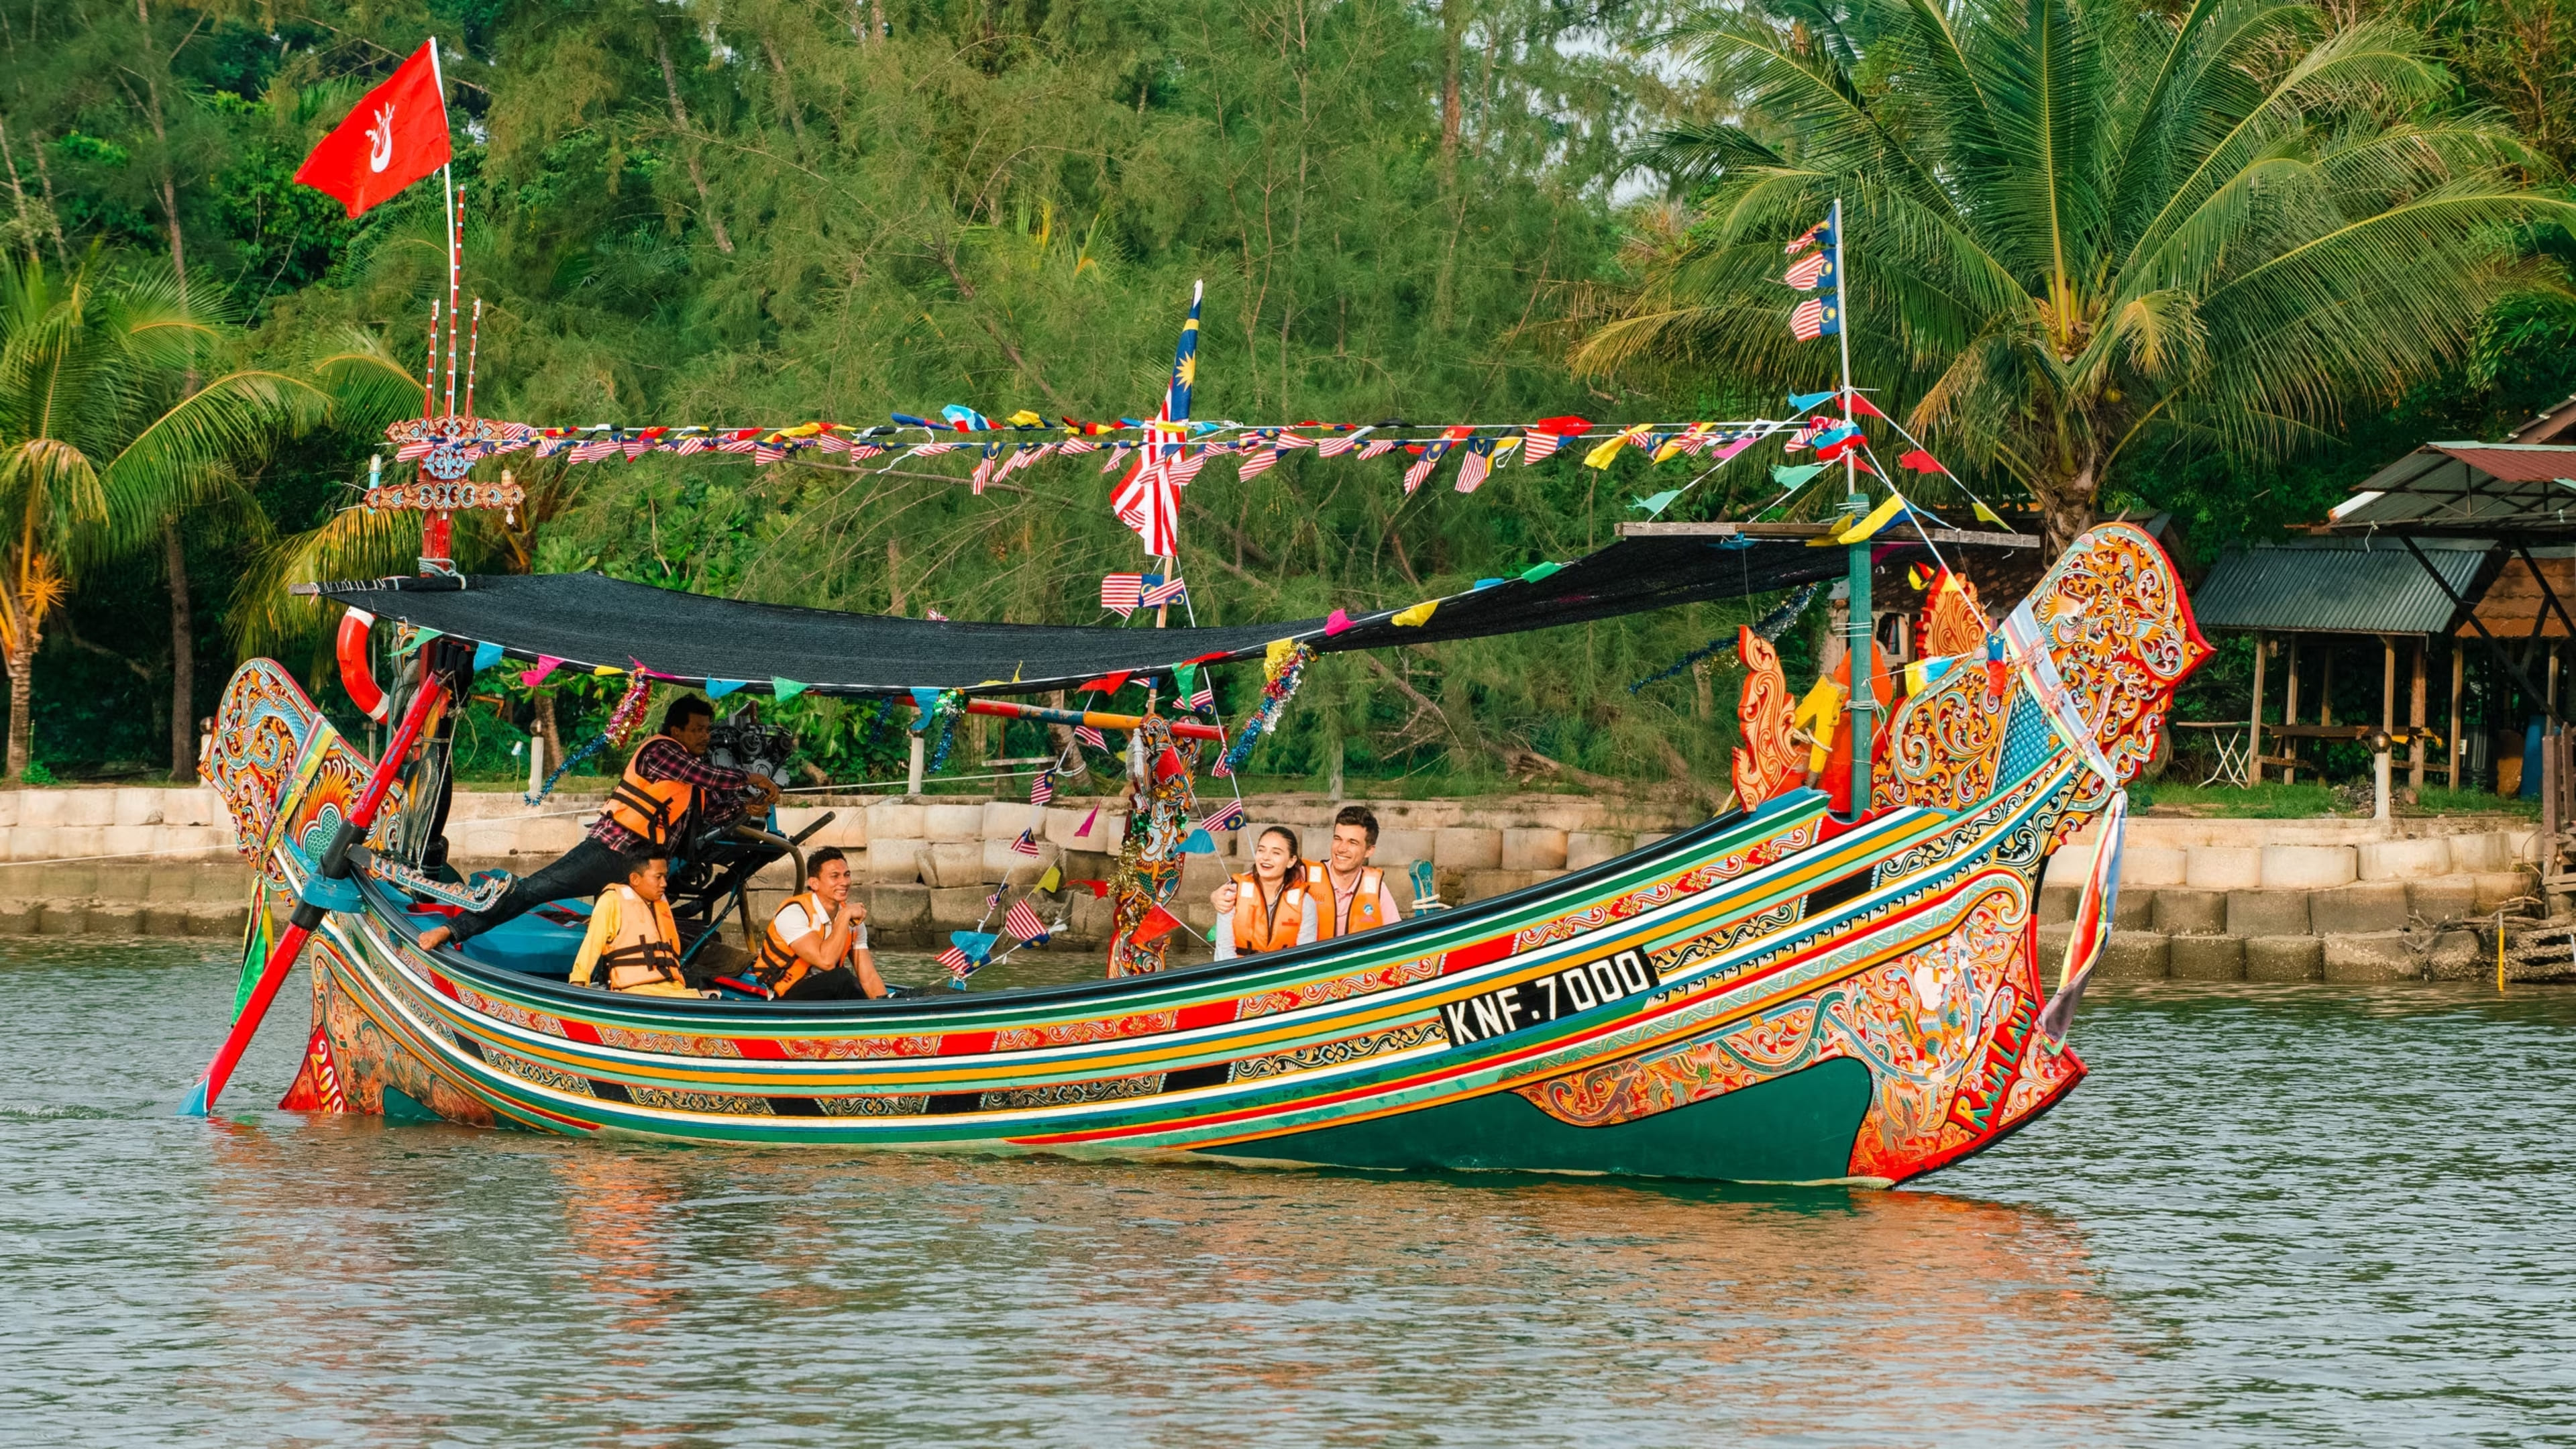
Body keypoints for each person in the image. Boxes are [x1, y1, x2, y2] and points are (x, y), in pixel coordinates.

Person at [419, 696, 780, 953]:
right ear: (677, 730)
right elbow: (704, 773)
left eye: (707, 730)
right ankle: (450, 930)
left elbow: (717, 807)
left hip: (643, 868)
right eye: (698, 730)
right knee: (532, 891)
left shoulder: (694, 785)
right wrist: (752, 777)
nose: (705, 736)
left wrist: (750, 803)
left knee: (649, 931)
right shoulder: (662, 751)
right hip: (609, 851)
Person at [753, 847, 892, 1000]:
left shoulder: (854, 923)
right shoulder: (793, 914)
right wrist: (844, 916)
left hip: (826, 993)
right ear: (814, 883)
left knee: (846, 982)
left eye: (847, 875)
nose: (844, 882)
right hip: (784, 996)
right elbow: (826, 962)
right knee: (841, 978)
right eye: (835, 876)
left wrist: (885, 1005)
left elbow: (869, 978)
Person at [569, 853, 701, 997]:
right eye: (658, 877)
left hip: (676, 990)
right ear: (635, 879)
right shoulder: (612, 900)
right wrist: (578, 985)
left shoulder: (660, 903)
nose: (664, 883)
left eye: (665, 877)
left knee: (697, 998)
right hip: (634, 992)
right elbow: (591, 944)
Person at [1210, 825, 1319, 961]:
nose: (1266, 858)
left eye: (1276, 853)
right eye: (1261, 850)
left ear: (1291, 861)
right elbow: (1224, 950)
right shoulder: (1232, 893)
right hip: (1238, 972)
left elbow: (1305, 957)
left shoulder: (1305, 903)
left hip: (1284, 975)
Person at [1311, 804, 1403, 939]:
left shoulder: (1377, 889)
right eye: (1338, 839)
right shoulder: (1305, 877)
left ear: (1369, 850)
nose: (1342, 848)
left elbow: (1398, 939)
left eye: (1352, 842)